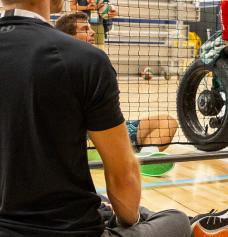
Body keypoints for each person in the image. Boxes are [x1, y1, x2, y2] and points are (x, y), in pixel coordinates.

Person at [0, 0, 228, 237]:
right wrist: (130, 224)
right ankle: (191, 230)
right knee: (173, 221)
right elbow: (123, 175)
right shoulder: (85, 60)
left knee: (106, 205)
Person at [56, 12, 179, 155]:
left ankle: (146, 157)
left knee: (168, 122)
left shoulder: (98, 61)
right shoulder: (57, 66)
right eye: (84, 29)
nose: (92, 33)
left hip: (110, 130)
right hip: (81, 135)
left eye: (90, 28)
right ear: (68, 37)